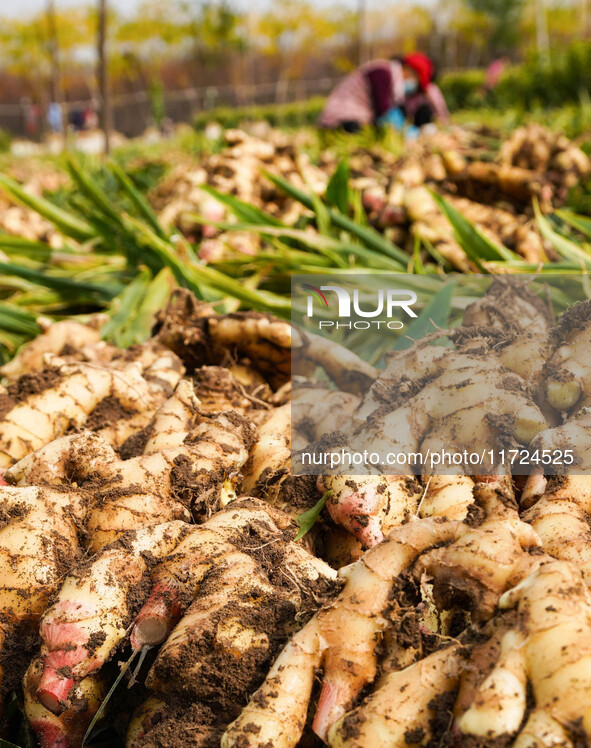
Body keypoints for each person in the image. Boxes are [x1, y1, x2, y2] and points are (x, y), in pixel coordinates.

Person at [319, 52, 449, 133]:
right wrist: (406, 131)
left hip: (357, 119)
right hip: (340, 120)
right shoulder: (382, 72)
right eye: (415, 81)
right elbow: (383, 110)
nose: (413, 86)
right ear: (408, 70)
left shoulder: (392, 81)